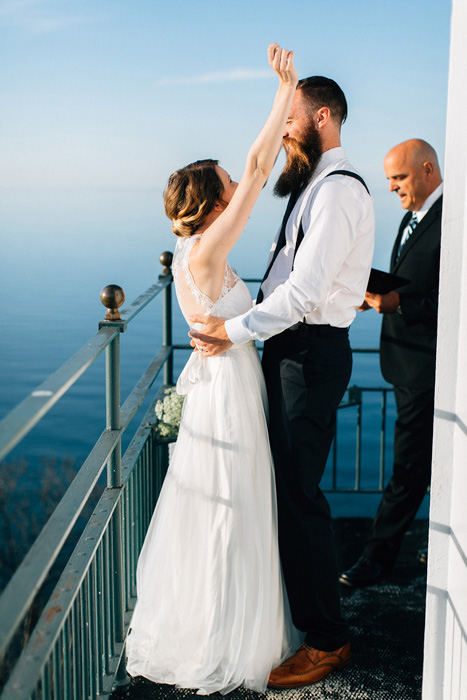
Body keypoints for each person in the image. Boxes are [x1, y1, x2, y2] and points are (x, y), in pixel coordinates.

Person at [126, 45, 302, 694]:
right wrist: (282, 92)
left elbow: (252, 169)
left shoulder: (194, 251)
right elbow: (259, 166)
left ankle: (221, 624)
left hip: (227, 384)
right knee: (229, 511)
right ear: (209, 201)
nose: (237, 188)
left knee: (231, 508)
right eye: (225, 185)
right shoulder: (203, 254)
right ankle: (222, 637)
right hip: (224, 393)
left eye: (232, 183)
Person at [189, 77, 375, 687]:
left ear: (322, 116)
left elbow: (305, 294)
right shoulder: (313, 187)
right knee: (289, 495)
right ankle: (307, 621)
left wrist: (234, 329)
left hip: (309, 356)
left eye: (292, 119)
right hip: (290, 352)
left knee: (300, 500)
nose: (286, 131)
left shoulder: (339, 191)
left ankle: (328, 640)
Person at [339, 139, 443, 588]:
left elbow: (451, 299)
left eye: (398, 179)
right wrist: (378, 297)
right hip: (405, 365)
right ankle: (440, 544)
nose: (392, 189)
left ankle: (376, 558)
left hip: (428, 367)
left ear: (426, 170)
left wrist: (399, 303)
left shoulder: (453, 221)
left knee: (408, 467)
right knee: (432, 462)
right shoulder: (412, 216)